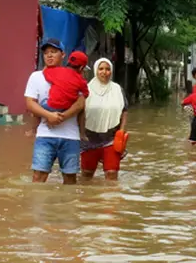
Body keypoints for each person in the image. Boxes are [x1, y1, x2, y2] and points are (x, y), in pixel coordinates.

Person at [25, 38, 86, 185]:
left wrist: (62, 117)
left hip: (70, 136)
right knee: (38, 177)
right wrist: (49, 116)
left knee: (70, 179)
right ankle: (38, 208)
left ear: (63, 55)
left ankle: (67, 207)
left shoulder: (74, 76)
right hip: (45, 135)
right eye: (46, 53)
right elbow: (30, 103)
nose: (49, 56)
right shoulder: (36, 77)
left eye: (54, 52)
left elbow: (81, 103)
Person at [80, 58, 128, 181]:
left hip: (111, 138)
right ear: (96, 70)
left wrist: (121, 132)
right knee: (86, 175)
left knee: (112, 174)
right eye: (101, 69)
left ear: (111, 71)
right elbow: (79, 111)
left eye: (107, 69)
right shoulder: (86, 89)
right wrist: (80, 133)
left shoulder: (117, 89)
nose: (104, 72)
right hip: (89, 139)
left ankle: (110, 200)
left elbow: (124, 111)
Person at [29, 50, 90, 138]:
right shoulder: (81, 81)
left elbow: (46, 72)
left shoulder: (56, 72)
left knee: (37, 108)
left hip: (50, 105)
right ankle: (82, 133)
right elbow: (85, 94)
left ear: (68, 61)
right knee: (81, 109)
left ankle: (33, 129)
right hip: (65, 108)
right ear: (81, 68)